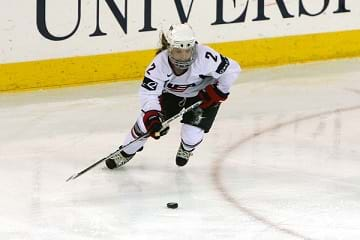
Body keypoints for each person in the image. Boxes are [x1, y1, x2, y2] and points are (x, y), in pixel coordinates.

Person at [105, 23, 241, 169]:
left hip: (203, 96)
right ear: (169, 49)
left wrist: (218, 91)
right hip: (171, 94)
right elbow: (149, 93)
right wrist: (152, 115)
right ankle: (126, 151)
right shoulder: (158, 65)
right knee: (145, 125)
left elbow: (232, 69)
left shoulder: (205, 57)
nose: (183, 56)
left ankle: (187, 147)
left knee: (191, 136)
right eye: (178, 51)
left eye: (187, 51)